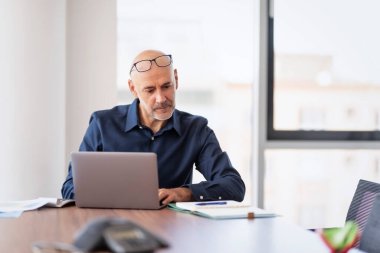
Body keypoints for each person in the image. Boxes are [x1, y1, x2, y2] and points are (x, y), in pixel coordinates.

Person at [61, 49, 245, 205]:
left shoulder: (196, 129)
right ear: (133, 89)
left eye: (166, 86)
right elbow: (70, 188)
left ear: (176, 79)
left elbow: (234, 186)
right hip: (112, 225)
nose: (161, 98)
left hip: (174, 232)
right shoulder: (102, 124)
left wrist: (183, 193)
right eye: (150, 90)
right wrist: (113, 197)